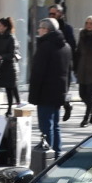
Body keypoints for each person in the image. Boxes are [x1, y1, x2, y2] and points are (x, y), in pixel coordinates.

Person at [30, 17, 72, 153]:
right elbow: (68, 72)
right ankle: (57, 154)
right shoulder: (66, 46)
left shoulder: (45, 47)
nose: (38, 31)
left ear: (47, 30)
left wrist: (33, 96)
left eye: (41, 28)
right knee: (55, 126)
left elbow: (38, 72)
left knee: (46, 127)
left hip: (45, 92)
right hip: (59, 92)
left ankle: (47, 156)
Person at [48, 4, 78, 119]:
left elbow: (72, 46)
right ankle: (58, 110)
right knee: (53, 90)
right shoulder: (48, 27)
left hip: (64, 64)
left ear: (60, 14)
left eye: (54, 13)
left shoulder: (67, 28)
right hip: (51, 63)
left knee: (63, 89)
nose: (51, 16)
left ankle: (67, 105)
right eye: (50, 13)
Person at [0, 16, 21, 111]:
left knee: (9, 89)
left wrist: (2, 56)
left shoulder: (11, 38)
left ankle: (9, 109)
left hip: (9, 67)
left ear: (5, 27)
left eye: (0, 25)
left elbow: (12, 54)